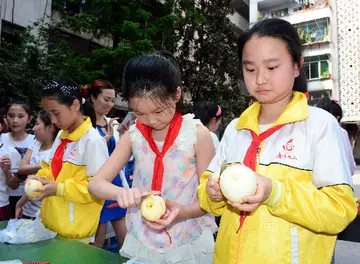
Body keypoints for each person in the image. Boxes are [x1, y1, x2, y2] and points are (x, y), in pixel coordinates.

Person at [198, 18, 357, 264]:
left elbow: (339, 210)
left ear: (296, 66)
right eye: (250, 69)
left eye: (272, 67)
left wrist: (275, 193)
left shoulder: (319, 126)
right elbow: (206, 193)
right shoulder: (235, 129)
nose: (260, 79)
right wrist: (213, 193)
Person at [88, 51, 217, 263]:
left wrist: (183, 212)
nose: (150, 120)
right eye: (139, 113)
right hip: (144, 240)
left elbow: (211, 197)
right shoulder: (133, 136)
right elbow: (96, 184)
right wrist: (123, 193)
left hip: (187, 239)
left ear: (176, 95)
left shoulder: (196, 134)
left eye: (158, 111)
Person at [31, 77, 109, 241]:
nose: (52, 120)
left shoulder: (93, 141)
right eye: (48, 114)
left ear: (75, 105)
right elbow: (49, 167)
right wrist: (40, 179)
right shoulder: (61, 135)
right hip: (50, 226)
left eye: (56, 113)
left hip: (75, 235)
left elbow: (98, 189)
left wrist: (59, 189)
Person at [82, 79, 128, 249]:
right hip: (95, 184)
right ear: (93, 98)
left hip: (113, 182)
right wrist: (106, 138)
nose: (110, 104)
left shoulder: (112, 124)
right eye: (106, 99)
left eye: (112, 100)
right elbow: (85, 152)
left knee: (124, 238)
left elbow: (120, 155)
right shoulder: (84, 124)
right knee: (97, 240)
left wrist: (122, 136)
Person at [15, 110, 59, 220]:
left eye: (37, 124)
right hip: (27, 209)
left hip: (44, 214)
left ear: (51, 127)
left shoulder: (58, 151)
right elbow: (21, 168)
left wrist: (20, 203)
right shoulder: (36, 143)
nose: (33, 128)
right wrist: (43, 166)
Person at [3, 100, 35, 215]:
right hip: (5, 198)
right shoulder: (1, 139)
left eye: (21, 116)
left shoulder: (35, 141)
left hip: (30, 197)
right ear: (5, 117)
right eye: (11, 116)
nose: (15, 120)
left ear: (29, 119)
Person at [316, 97, 356, 175]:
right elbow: (350, 167)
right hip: (338, 182)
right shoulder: (341, 132)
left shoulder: (309, 131)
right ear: (337, 118)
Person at [0, 116, 22, 220]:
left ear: (1, 126)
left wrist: (7, 171)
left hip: (1, 206)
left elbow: (14, 186)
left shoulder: (11, 152)